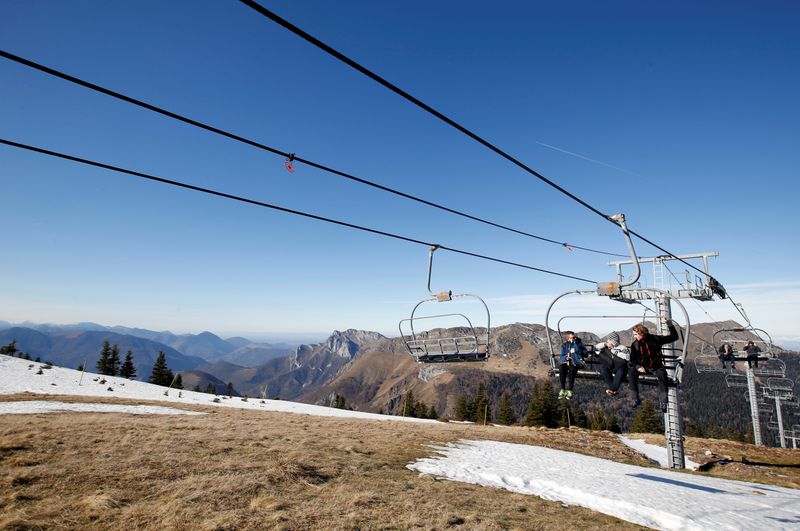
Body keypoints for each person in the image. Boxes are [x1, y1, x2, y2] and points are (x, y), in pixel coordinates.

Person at [628, 320, 679, 412]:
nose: (634, 337)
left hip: (656, 367)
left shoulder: (655, 339)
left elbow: (674, 337)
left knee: (662, 374)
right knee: (631, 371)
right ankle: (634, 398)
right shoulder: (635, 345)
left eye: (636, 334)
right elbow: (633, 359)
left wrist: (669, 324)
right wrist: (637, 367)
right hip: (642, 368)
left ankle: (663, 402)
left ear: (641, 333)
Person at [558, 331, 587, 400]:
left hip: (577, 362)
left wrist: (577, 346)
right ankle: (563, 389)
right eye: (572, 337)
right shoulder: (565, 345)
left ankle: (570, 390)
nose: (574, 338)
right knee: (561, 367)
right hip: (569, 362)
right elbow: (561, 357)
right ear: (568, 338)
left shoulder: (579, 344)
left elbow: (586, 354)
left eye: (574, 337)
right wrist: (566, 357)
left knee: (572, 369)